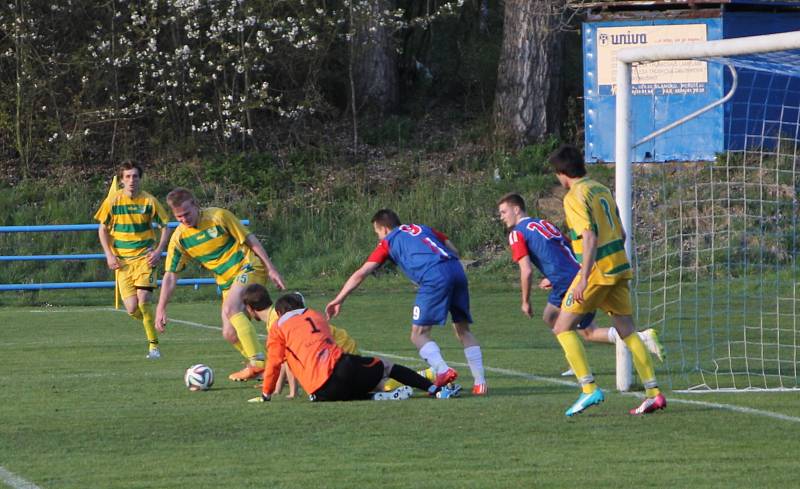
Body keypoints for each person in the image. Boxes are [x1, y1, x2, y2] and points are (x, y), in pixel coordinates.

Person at [548, 145, 667, 416]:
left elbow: (588, 237)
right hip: (619, 267)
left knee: (562, 327)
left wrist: (583, 278)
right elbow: (622, 234)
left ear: (562, 172)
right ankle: (654, 393)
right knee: (627, 331)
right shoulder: (600, 188)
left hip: (598, 271)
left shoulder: (574, 196)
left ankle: (589, 389)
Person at [496, 193, 664, 375]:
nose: (501, 217)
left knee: (579, 328)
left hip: (567, 280)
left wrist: (525, 301)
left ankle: (638, 339)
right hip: (578, 273)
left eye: (504, 212)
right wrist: (559, 275)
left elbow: (526, 270)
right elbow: (566, 247)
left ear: (516, 209)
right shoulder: (543, 224)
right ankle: (632, 340)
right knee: (563, 321)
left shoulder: (517, 234)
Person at [325, 209, 487, 395]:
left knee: (418, 335)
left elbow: (362, 273)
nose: (378, 237)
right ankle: (480, 383)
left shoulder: (388, 241)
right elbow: (453, 249)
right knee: (463, 330)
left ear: (384, 229)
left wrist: (339, 299)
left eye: (377, 232)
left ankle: (443, 371)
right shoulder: (422, 228)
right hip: (456, 270)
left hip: (433, 276)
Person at [154, 187, 286, 381]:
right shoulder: (179, 238)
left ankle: (257, 362)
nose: (184, 219)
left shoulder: (219, 216)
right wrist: (160, 307)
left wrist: (271, 268)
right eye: (179, 216)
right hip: (227, 283)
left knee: (231, 307)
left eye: (187, 213)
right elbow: (171, 275)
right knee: (229, 333)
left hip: (248, 267)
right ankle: (269, 370)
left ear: (196, 205)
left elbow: (250, 239)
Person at [249, 293, 461, 403]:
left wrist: (267, 394)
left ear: (279, 312)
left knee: (346, 389)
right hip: (341, 367)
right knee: (385, 367)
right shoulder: (314, 315)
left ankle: (378, 396)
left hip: (319, 392)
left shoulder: (277, 328)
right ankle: (437, 390)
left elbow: (275, 362)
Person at [94, 162, 171, 359]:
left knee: (144, 302)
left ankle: (154, 347)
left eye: (135, 176)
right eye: (127, 177)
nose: (131, 180)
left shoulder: (149, 201)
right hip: (122, 263)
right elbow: (102, 229)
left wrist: (159, 251)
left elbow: (166, 226)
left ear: (140, 179)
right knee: (131, 309)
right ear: (121, 180)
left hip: (145, 259)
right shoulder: (113, 201)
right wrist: (109, 255)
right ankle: (150, 322)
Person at [242, 285, 358, 398]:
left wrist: (293, 392)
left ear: (249, 308)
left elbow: (288, 360)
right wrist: (277, 389)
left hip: (341, 348)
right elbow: (282, 361)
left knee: (345, 388)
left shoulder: (277, 320)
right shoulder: (274, 316)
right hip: (340, 345)